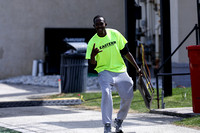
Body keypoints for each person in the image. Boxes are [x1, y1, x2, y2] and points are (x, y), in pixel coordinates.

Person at [85, 15, 142, 133]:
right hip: (104, 71)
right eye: (97, 24)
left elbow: (126, 52)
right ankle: (107, 124)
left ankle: (119, 121)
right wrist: (93, 55)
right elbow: (92, 64)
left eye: (101, 23)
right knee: (106, 93)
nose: (99, 26)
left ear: (105, 24)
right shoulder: (92, 42)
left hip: (120, 70)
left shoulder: (115, 34)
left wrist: (137, 68)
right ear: (94, 26)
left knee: (128, 95)